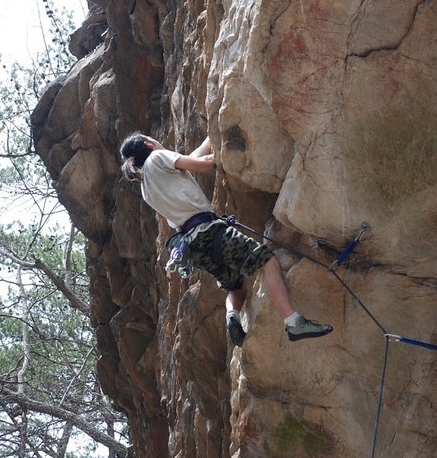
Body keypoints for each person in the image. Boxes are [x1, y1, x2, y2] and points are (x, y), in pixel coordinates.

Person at [119, 132, 333, 346]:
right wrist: (227, 150)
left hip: (194, 247)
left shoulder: (146, 186)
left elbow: (191, 158)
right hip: (209, 232)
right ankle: (294, 322)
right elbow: (204, 164)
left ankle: (232, 316)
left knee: (235, 287)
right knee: (267, 261)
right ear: (149, 144)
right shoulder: (158, 157)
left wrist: (211, 135)